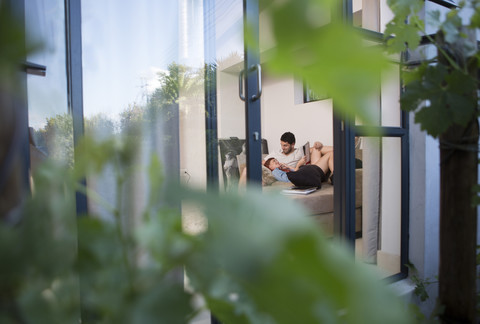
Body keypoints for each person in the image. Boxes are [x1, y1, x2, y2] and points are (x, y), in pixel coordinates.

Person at [264, 144, 334, 186]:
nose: (277, 161)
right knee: (331, 153)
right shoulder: (275, 172)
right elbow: (293, 178)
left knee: (316, 149)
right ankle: (336, 178)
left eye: (276, 160)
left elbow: (294, 173)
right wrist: (299, 164)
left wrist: (288, 167)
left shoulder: (281, 170)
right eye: (274, 161)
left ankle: (341, 149)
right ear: (269, 166)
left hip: (311, 171)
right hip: (311, 173)